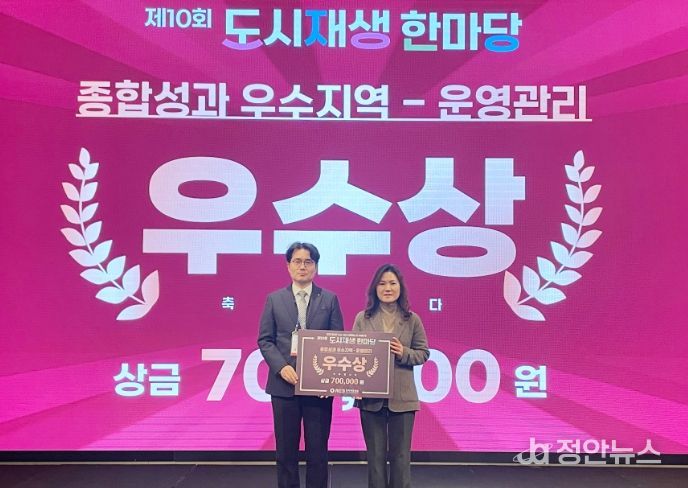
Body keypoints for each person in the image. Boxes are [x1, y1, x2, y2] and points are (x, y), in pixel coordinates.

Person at [258, 242, 344, 488]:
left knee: (318, 452)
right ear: (288, 266)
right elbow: (265, 340)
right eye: (297, 261)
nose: (302, 266)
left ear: (315, 267)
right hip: (283, 386)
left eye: (308, 262)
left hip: (318, 389)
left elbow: (337, 342)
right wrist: (281, 367)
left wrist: (329, 380)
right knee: (286, 452)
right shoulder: (274, 299)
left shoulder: (329, 299)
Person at [353, 264, 429, 488]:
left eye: (392, 283)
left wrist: (403, 352)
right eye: (382, 283)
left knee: (401, 458)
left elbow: (423, 353)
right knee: (375, 458)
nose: (387, 288)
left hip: (402, 398)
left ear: (400, 287)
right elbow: (353, 354)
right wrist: (354, 384)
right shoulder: (363, 318)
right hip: (371, 398)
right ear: (375, 288)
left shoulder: (412, 319)